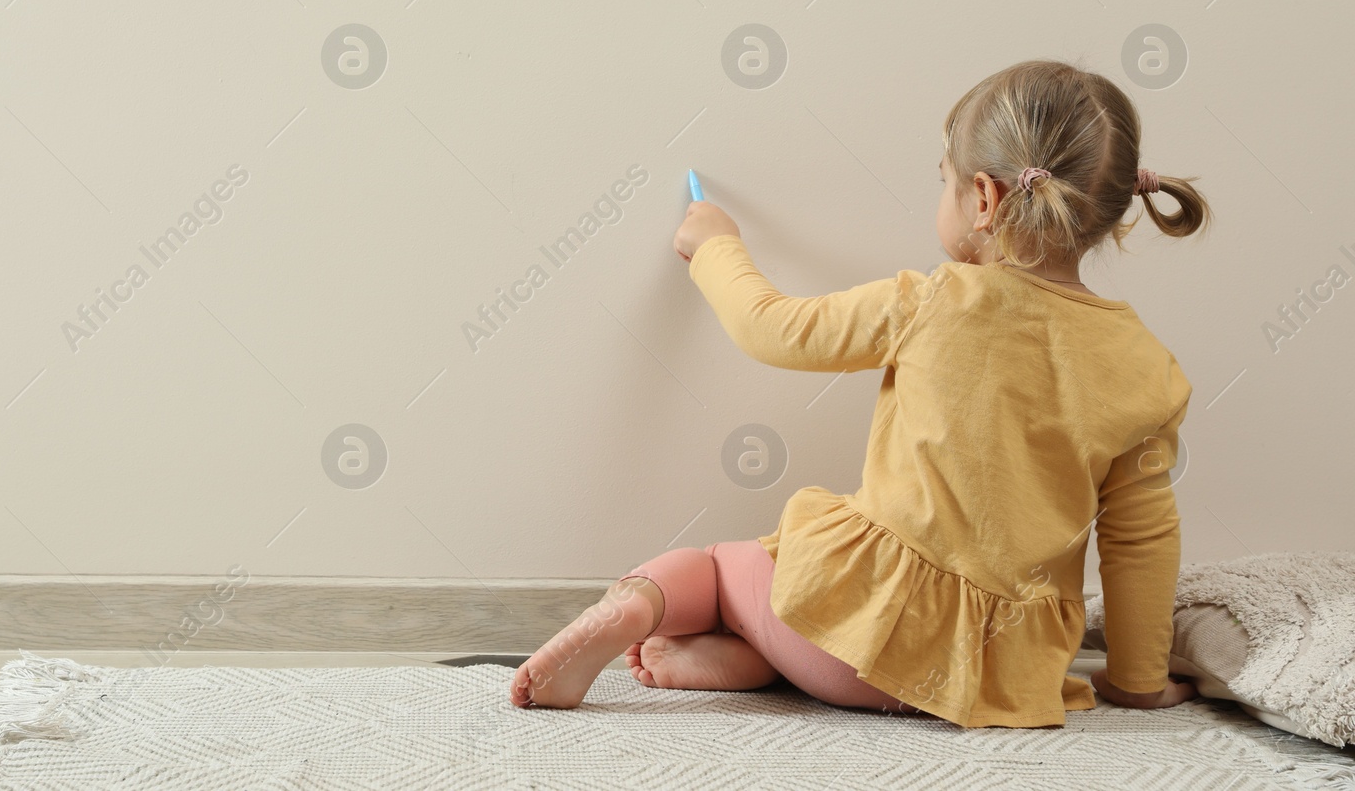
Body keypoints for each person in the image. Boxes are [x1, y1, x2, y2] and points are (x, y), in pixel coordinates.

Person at [510, 59, 1213, 728]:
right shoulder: (1149, 368)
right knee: (807, 619)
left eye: (943, 181)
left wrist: (717, 244)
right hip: (984, 679)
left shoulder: (934, 301)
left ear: (984, 199)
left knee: (725, 570)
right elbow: (1141, 542)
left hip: (845, 646)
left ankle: (635, 607)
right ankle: (750, 660)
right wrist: (1139, 681)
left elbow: (773, 329)